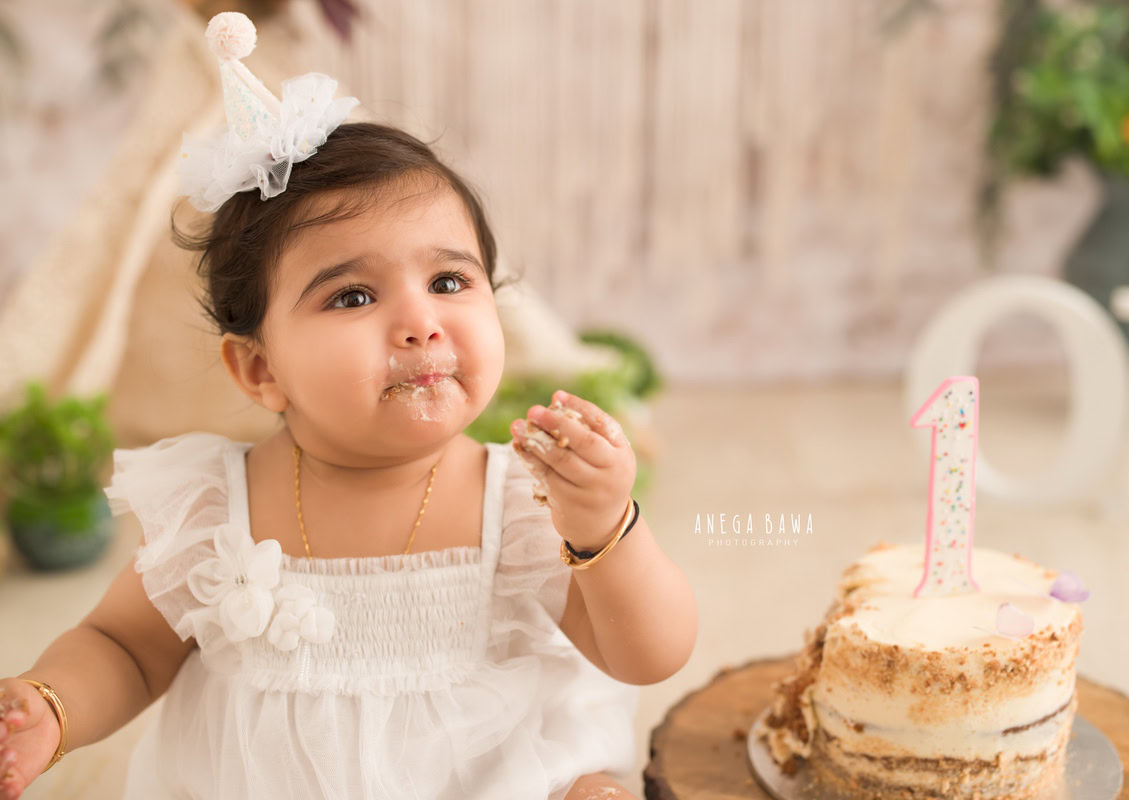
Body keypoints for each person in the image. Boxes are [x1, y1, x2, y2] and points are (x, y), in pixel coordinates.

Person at [0, 12, 697, 799]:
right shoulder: (214, 506)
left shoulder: (522, 504)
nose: (421, 322)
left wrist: (608, 530)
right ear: (260, 370)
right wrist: (53, 705)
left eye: (449, 281)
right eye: (354, 295)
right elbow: (124, 646)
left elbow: (649, 654)